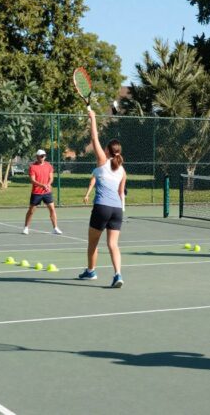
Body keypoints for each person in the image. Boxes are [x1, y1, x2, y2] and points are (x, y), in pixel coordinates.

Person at [77, 109, 127, 288]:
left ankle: (91, 271)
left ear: (107, 150)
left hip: (102, 208)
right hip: (117, 210)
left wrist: (93, 118)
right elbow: (122, 194)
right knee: (113, 245)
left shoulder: (102, 161)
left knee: (92, 243)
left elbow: (94, 138)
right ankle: (118, 275)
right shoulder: (122, 170)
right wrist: (122, 211)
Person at [22, 149, 61, 235]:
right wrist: (42, 185)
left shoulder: (48, 166)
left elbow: (51, 178)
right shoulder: (33, 167)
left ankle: (55, 228)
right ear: (37, 157)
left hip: (47, 192)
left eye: (44, 156)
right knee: (31, 211)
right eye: (41, 156)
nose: (43, 157)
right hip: (36, 193)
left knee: (52, 209)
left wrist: (47, 185)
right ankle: (26, 227)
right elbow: (33, 180)